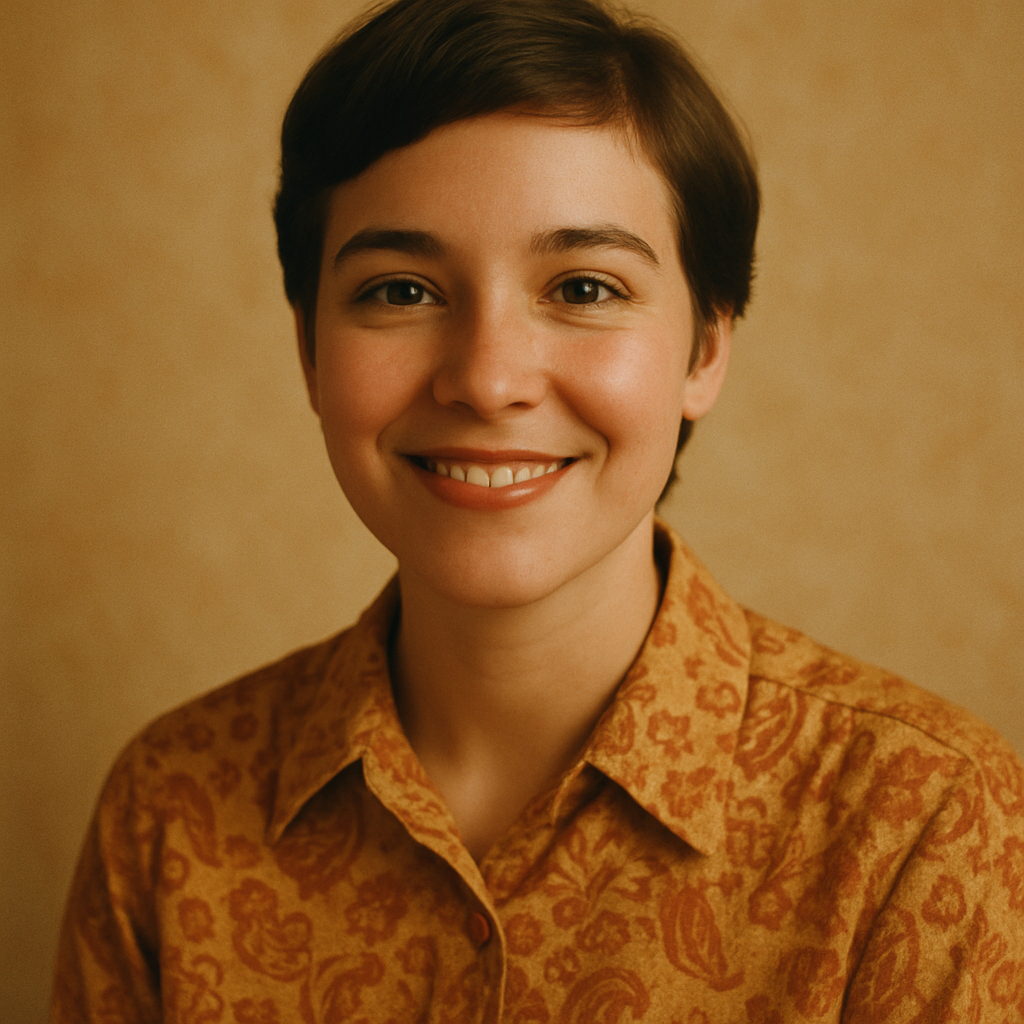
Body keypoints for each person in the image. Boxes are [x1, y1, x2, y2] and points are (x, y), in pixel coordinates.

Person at [52, 0, 1024, 1020]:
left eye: (585, 287)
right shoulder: (168, 812)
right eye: (401, 291)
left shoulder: (921, 820)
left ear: (704, 348)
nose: (487, 378)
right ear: (308, 350)